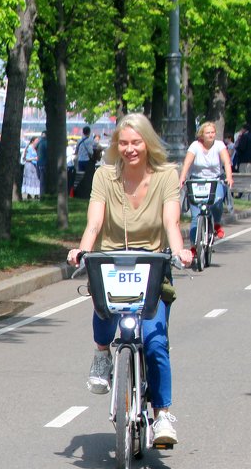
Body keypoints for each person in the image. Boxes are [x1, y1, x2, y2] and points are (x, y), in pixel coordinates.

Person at [66, 113, 192, 446]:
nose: (130, 149)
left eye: (136, 142)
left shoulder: (166, 175)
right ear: (115, 145)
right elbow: (94, 223)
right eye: (123, 143)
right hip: (112, 262)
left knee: (154, 341)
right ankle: (102, 353)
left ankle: (163, 413)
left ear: (148, 143)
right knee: (106, 315)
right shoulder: (104, 176)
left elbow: (170, 223)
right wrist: (82, 249)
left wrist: (179, 252)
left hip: (152, 264)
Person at [178, 120, 233, 242]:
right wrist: (182, 177)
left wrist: (229, 177)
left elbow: (226, 162)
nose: (211, 135)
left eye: (213, 132)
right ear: (202, 134)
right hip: (197, 181)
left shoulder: (219, 145)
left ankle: (217, 223)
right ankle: (193, 247)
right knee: (195, 216)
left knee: (217, 201)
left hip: (215, 180)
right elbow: (187, 163)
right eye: (208, 133)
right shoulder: (195, 146)